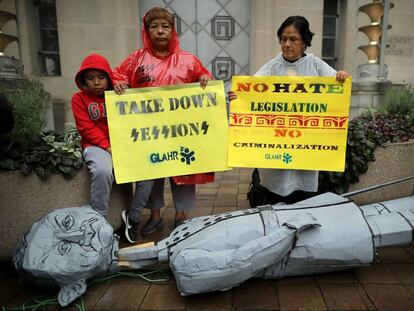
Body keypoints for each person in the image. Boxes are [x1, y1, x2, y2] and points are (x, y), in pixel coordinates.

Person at [113, 7, 214, 233]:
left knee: (184, 170)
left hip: (183, 132)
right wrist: (119, 82)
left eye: (165, 26)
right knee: (152, 172)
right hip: (148, 132)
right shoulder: (135, 60)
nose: (160, 31)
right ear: (147, 31)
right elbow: (117, 74)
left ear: (172, 31)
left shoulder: (188, 60)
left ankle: (181, 216)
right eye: (154, 26)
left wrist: (205, 78)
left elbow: (205, 79)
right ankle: (155, 216)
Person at [229, 16, 349, 205]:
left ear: (305, 42)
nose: (287, 44)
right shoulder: (273, 66)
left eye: (293, 39)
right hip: (277, 142)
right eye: (283, 39)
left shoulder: (315, 65)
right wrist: (238, 97)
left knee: (301, 190)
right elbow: (249, 93)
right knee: (275, 189)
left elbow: (337, 86)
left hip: (305, 144)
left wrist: (341, 76)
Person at [71, 53, 153, 244]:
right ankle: (98, 220)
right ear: (84, 80)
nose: (96, 82)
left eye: (101, 77)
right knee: (102, 170)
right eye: (90, 78)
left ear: (109, 77)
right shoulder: (79, 99)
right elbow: (86, 128)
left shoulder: (119, 95)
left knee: (149, 172)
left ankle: (132, 219)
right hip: (96, 146)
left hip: (124, 144)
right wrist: (108, 147)